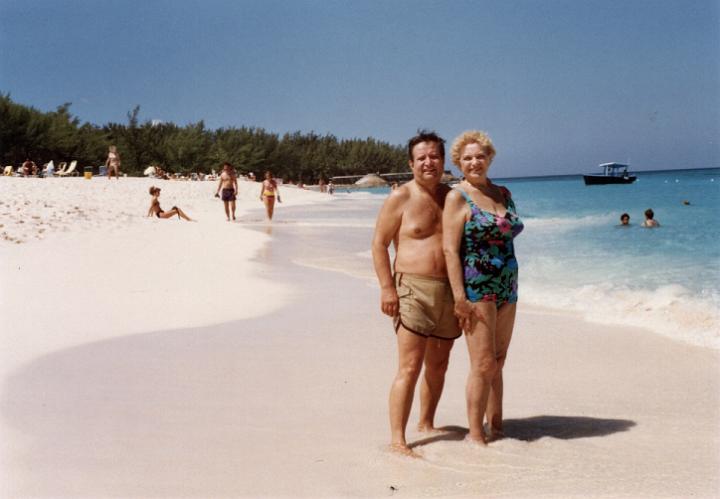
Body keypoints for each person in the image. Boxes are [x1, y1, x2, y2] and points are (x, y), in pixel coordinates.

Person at [371, 131, 459, 457]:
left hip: (449, 291)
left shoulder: (453, 198)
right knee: (410, 366)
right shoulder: (401, 198)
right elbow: (379, 244)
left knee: (439, 365)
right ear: (411, 163)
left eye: (434, 156)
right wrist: (386, 288)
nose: (428, 162)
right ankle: (398, 439)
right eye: (421, 158)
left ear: (443, 161)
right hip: (412, 290)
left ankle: (427, 422)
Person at [442, 130, 524, 445]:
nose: (475, 162)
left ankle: (498, 426)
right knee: (483, 363)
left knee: (499, 359)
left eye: (480, 156)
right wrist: (459, 297)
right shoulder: (456, 196)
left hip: (508, 284)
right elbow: (450, 249)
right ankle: (476, 435)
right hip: (477, 286)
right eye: (468, 158)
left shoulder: (503, 193)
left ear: (489, 158)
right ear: (459, 163)